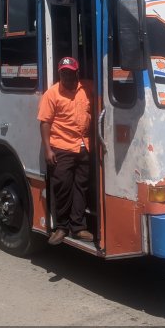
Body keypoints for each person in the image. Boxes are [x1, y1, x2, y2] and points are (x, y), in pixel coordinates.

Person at [37, 56, 94, 245]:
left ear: (77, 73)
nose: (67, 77)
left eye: (70, 73)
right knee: (63, 188)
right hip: (61, 147)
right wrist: (48, 150)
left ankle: (78, 227)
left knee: (81, 187)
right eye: (63, 73)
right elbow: (45, 123)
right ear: (60, 73)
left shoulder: (87, 88)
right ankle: (62, 227)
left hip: (84, 146)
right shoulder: (52, 94)